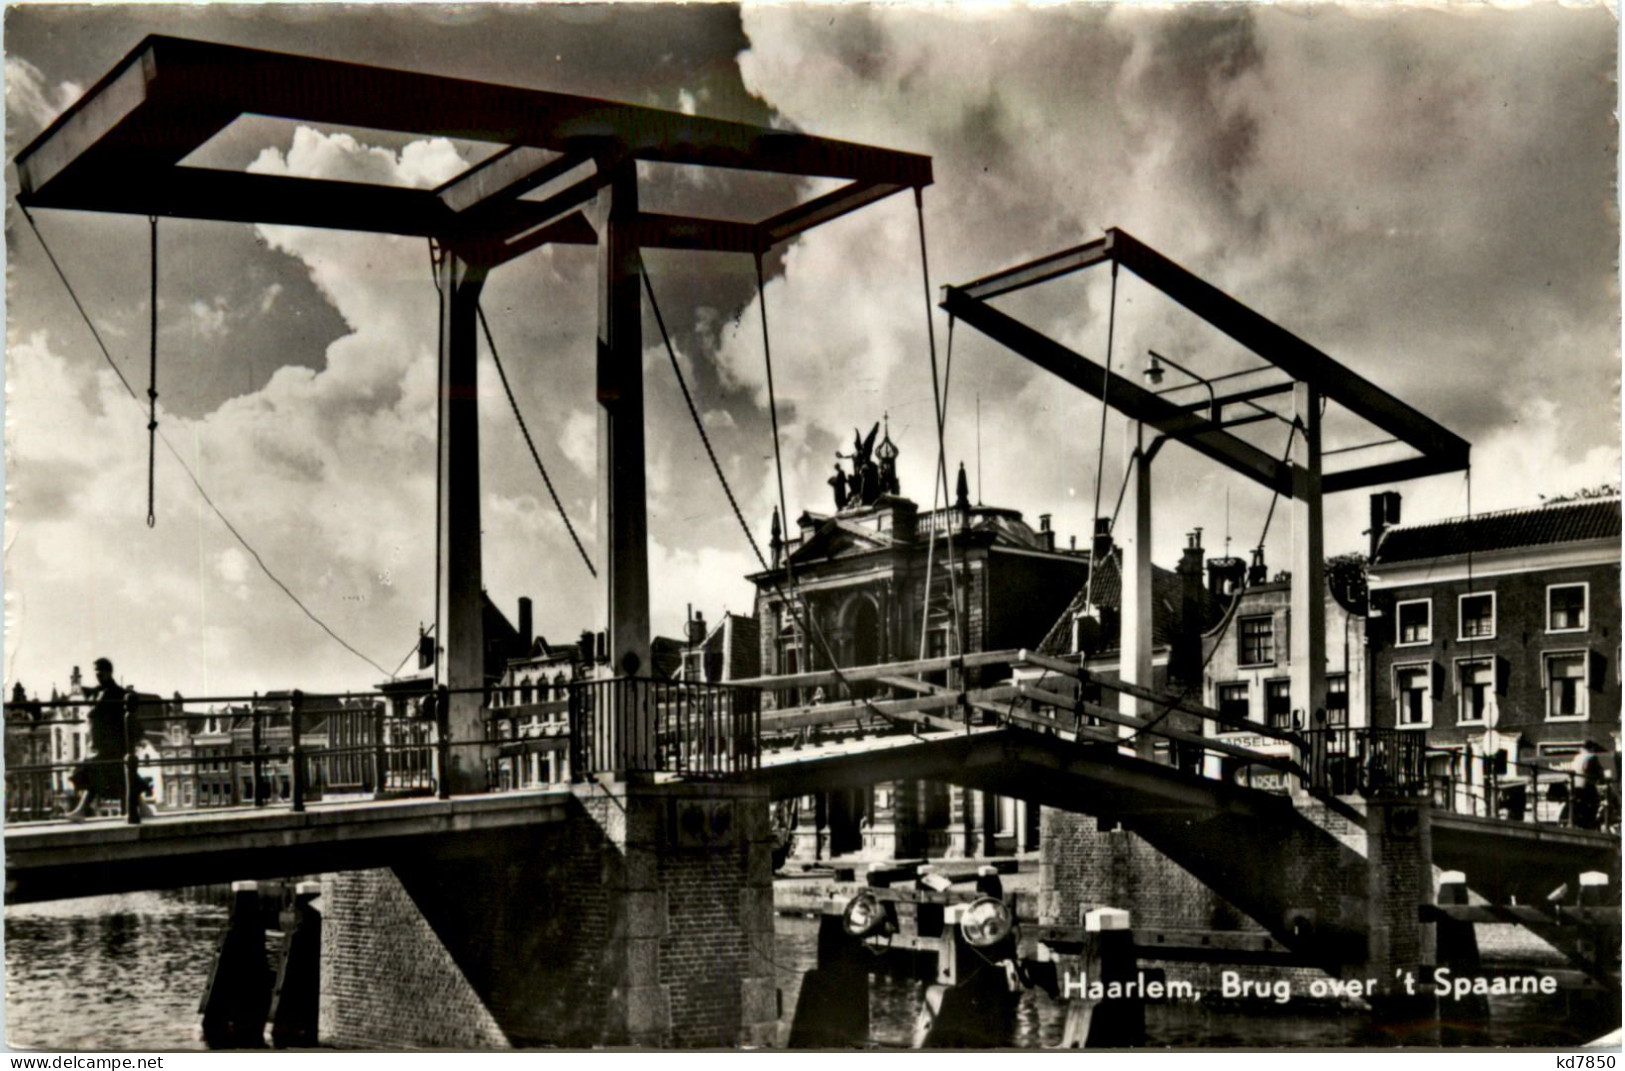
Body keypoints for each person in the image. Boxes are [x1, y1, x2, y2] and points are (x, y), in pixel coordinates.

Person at [65, 658, 151, 821]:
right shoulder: (96, 692)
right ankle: (144, 808)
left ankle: (81, 809)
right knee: (119, 776)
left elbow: (127, 718)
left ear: (109, 672)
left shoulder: (117, 693)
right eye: (96, 672)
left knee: (93, 772)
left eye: (101, 672)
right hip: (99, 745)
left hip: (111, 746)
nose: (98, 675)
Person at [1570, 740, 1607, 830]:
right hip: (1586, 785)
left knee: (1579, 805)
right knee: (1594, 803)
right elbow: (1594, 771)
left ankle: (1578, 823)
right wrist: (1600, 777)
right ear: (1592, 748)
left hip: (1575, 786)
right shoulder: (1592, 757)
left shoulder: (1576, 757)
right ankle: (1589, 824)